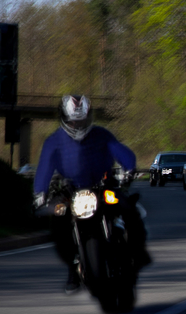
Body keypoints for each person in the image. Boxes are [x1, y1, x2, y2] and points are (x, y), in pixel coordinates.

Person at [33, 95, 150, 293]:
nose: (78, 124)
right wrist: (40, 193)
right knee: (59, 223)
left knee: (130, 209)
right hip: (72, 192)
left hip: (104, 187)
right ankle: (72, 269)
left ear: (89, 117)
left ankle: (138, 253)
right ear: (64, 118)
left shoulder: (101, 135)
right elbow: (44, 168)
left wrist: (128, 170)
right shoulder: (54, 142)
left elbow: (122, 153)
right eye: (73, 120)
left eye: (82, 120)